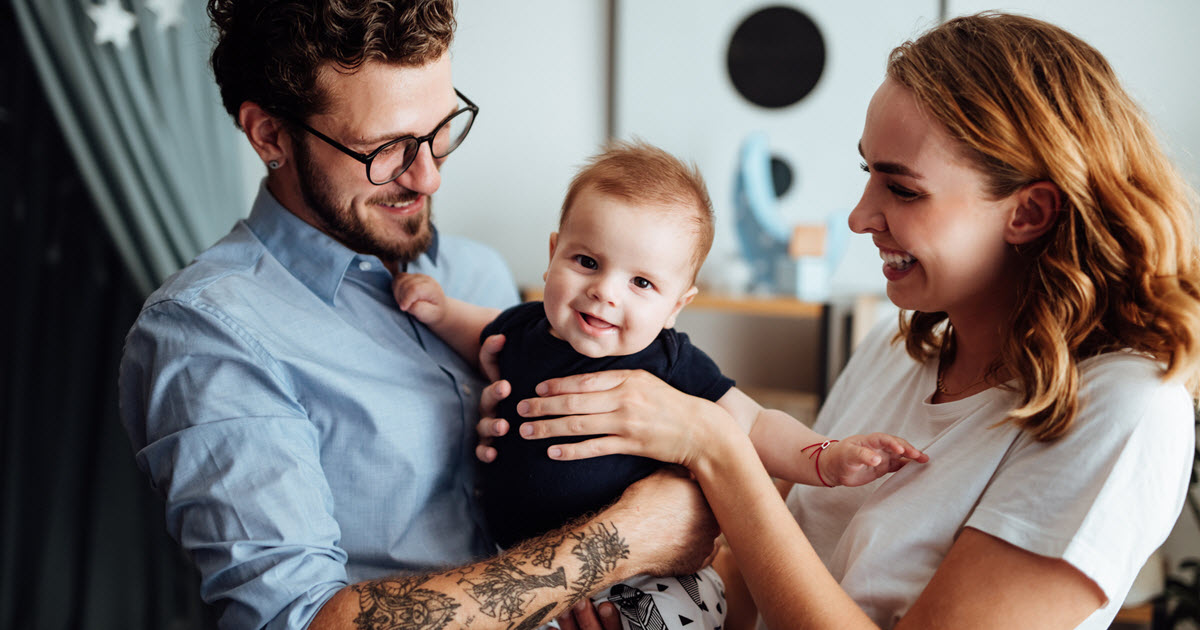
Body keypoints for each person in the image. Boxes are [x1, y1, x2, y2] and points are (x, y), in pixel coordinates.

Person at [496, 12, 1200, 630]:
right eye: (867, 174)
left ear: (1028, 213)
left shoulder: (1127, 411)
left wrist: (714, 446)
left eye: (900, 187)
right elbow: (753, 580)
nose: (860, 217)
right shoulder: (896, 353)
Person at [117, 2, 720, 629]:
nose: (428, 177)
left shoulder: (475, 274)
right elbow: (296, 621)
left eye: (441, 129)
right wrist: (620, 542)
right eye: (385, 149)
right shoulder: (206, 333)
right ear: (270, 135)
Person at [392, 141, 928, 630]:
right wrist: (440, 311)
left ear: (677, 305)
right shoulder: (526, 325)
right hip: (524, 569)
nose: (604, 292)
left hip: (651, 574)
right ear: (554, 251)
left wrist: (825, 457)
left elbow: (755, 423)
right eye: (586, 261)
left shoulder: (668, 361)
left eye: (641, 282)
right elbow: (480, 329)